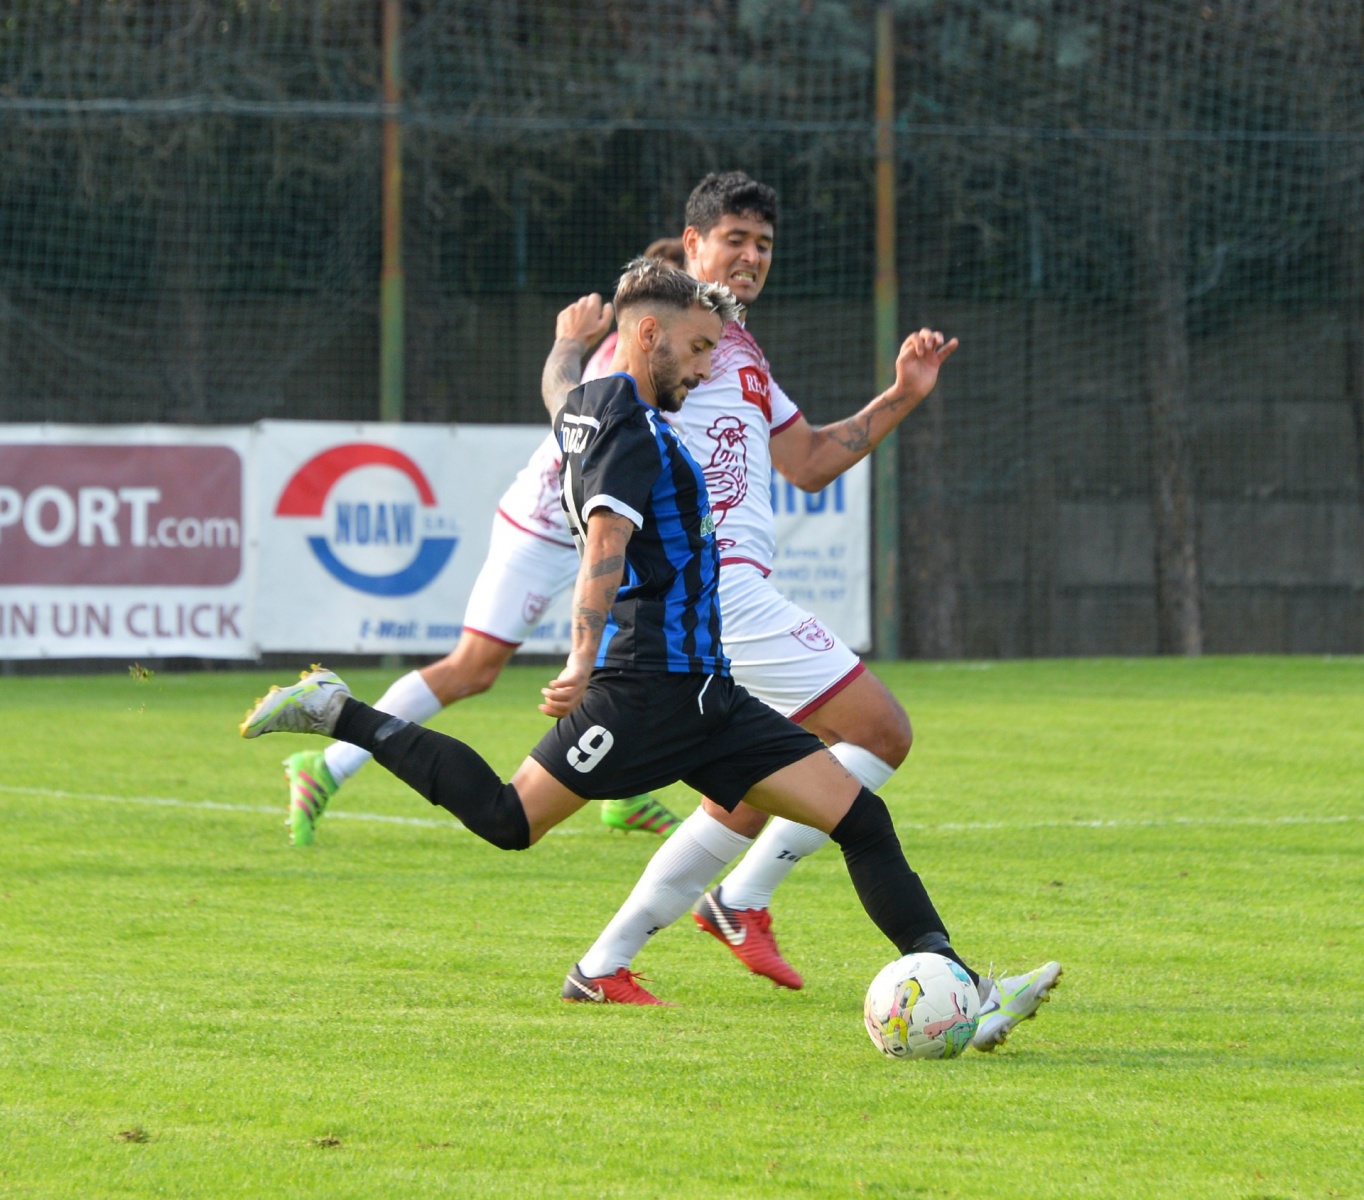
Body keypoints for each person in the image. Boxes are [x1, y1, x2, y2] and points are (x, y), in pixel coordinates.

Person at [242, 259, 1057, 1043]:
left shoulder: (591, 404)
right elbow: (605, 541)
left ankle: (960, 987)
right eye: (697, 348)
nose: (705, 369)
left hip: (710, 696)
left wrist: (565, 343)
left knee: (861, 816)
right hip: (640, 693)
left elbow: (559, 388)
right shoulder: (629, 433)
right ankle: (337, 710)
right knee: (507, 820)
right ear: (645, 337)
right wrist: (581, 659)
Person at [279, 241, 688, 846]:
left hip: (593, 535)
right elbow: (568, 399)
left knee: (630, 658)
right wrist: (567, 343)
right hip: (545, 531)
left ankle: (622, 796)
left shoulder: (674, 363)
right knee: (471, 670)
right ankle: (328, 765)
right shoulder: (628, 365)